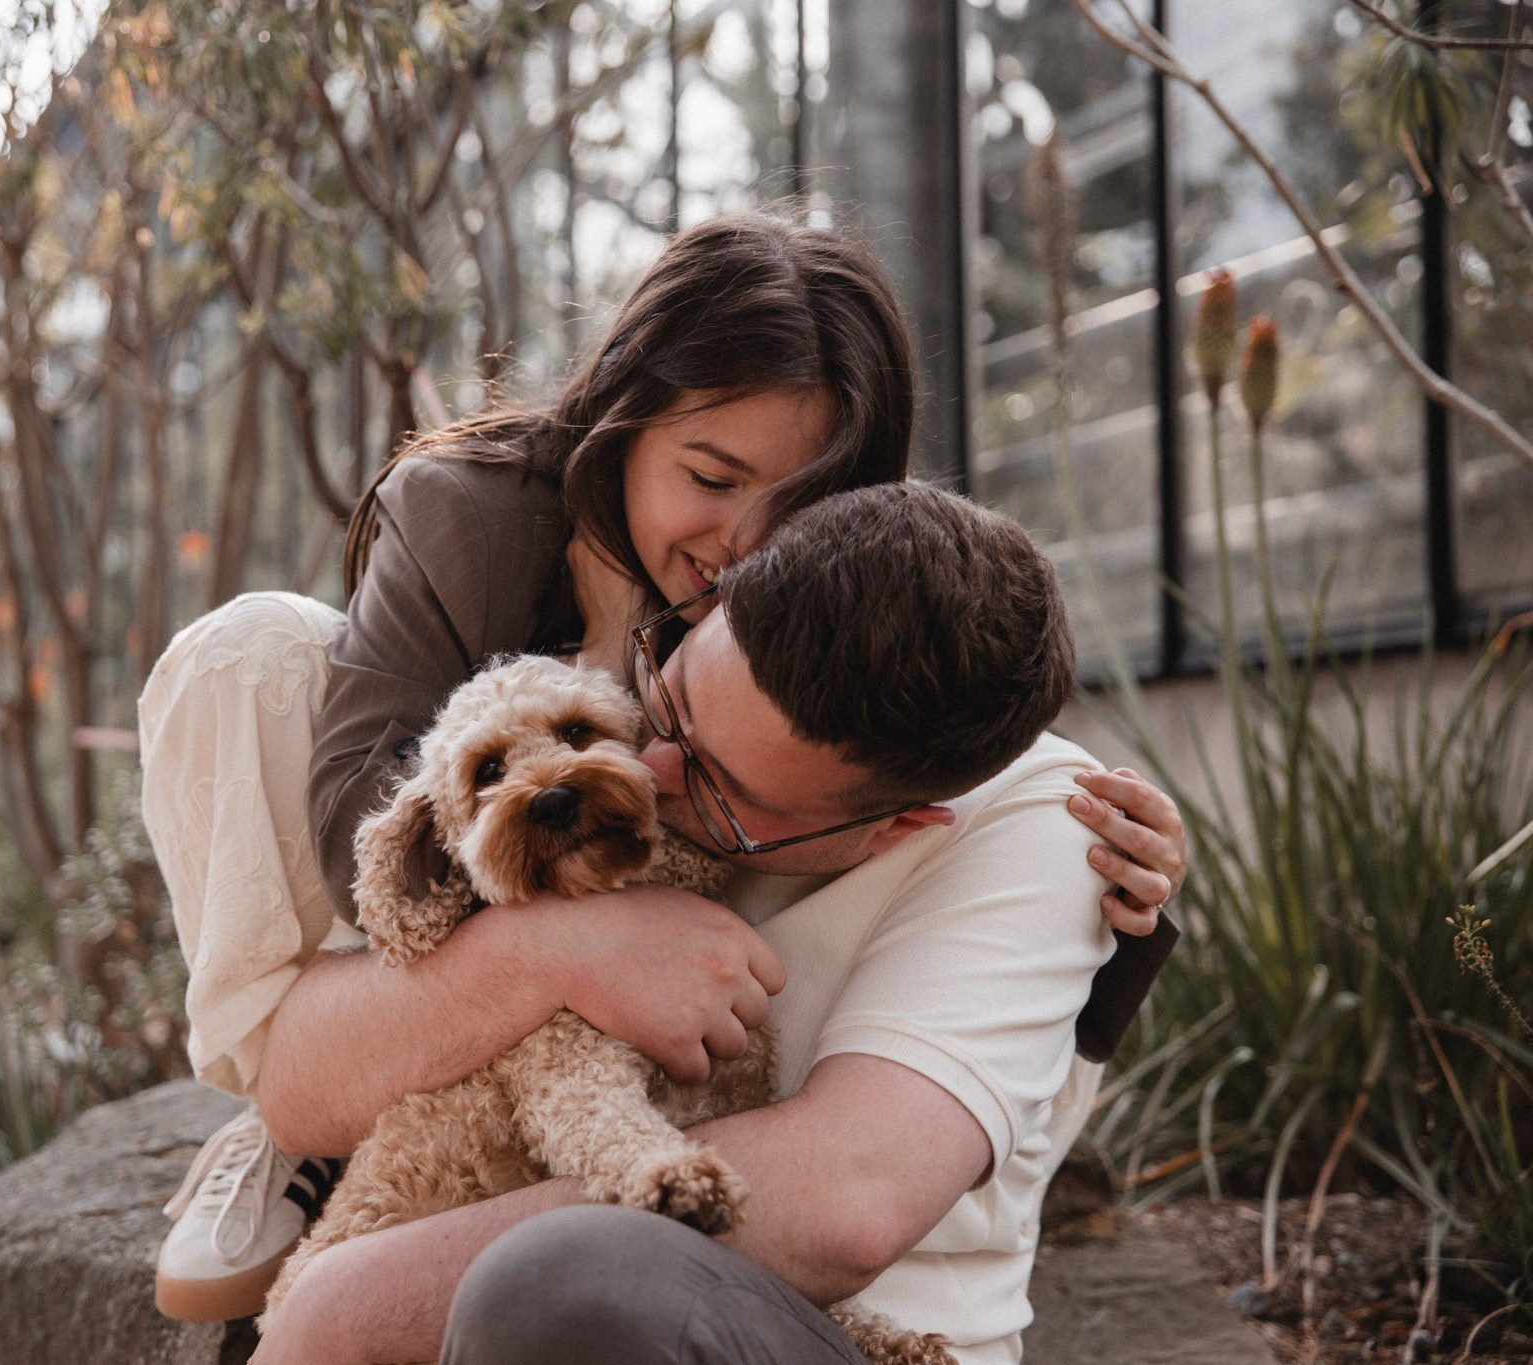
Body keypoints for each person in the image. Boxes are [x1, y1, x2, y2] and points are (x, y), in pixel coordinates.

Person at [137, 213, 1186, 1327]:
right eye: (711, 478)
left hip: (690, 1167)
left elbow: (958, 703)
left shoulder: (857, 679)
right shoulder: (477, 524)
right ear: (624, 418)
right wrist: (566, 927)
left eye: (798, 509)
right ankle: (288, 1137)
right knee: (252, 652)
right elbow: (367, 852)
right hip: (434, 881)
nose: (745, 543)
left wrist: (1111, 887)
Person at [251, 481, 1117, 1364]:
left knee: (550, 1280)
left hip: (808, 1336)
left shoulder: (1052, 823)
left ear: (897, 826)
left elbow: (848, 1205)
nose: (653, 770)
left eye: (722, 786)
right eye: (670, 704)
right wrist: (549, 952)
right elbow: (296, 1091)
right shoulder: (599, 733)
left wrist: (348, 1303)